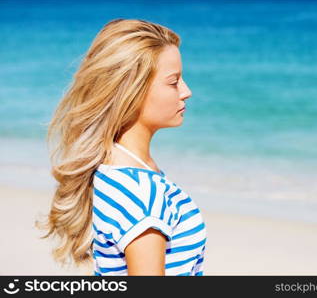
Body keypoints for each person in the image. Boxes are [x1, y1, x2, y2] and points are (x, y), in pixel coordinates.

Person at [35, 18, 207, 276]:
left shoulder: (110, 169)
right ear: (132, 91)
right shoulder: (142, 194)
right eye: (173, 82)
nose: (186, 91)